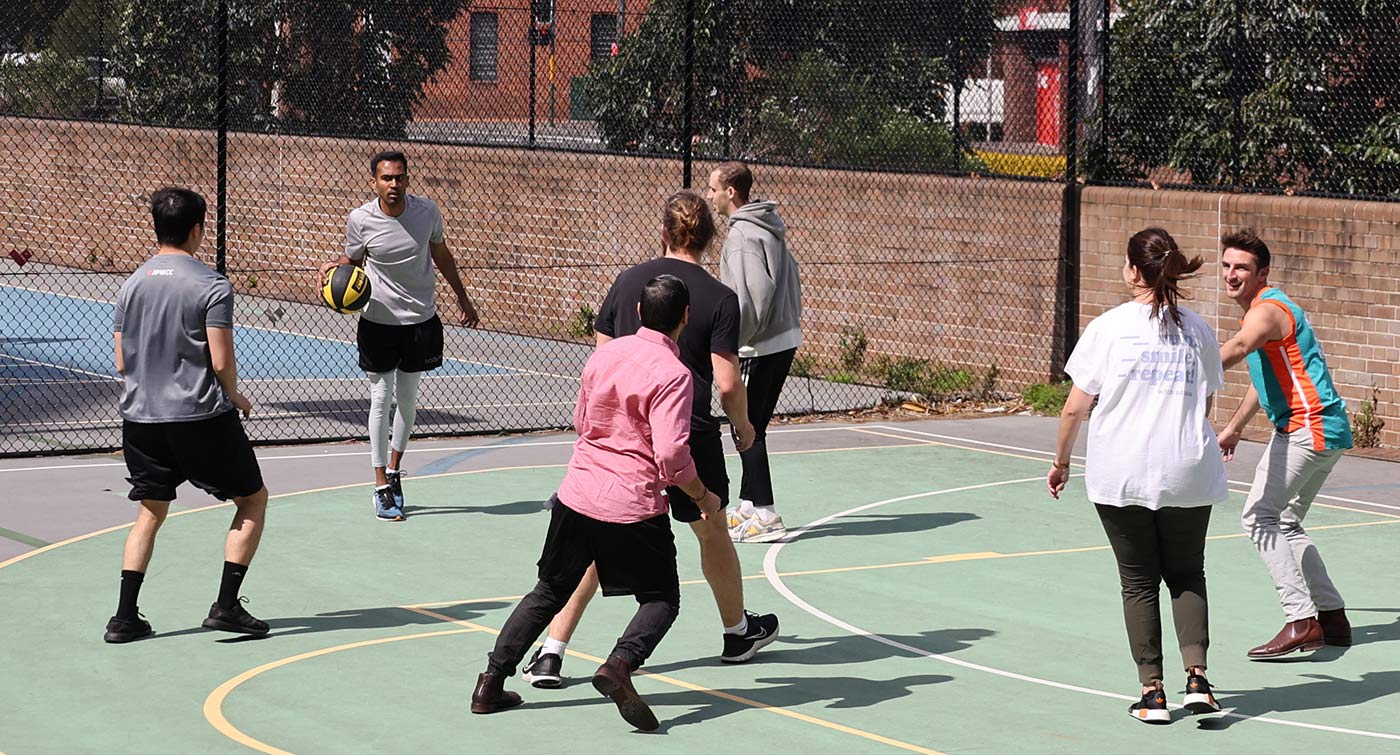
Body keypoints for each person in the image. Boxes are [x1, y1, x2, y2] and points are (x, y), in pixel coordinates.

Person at [518, 191, 777, 689]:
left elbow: (603, 364)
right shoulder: (720, 297)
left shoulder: (629, 282)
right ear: (709, 238)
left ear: (663, 232)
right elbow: (726, 382)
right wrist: (743, 428)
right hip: (686, 434)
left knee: (598, 539)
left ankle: (552, 651)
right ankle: (736, 632)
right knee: (711, 529)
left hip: (621, 441)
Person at [470, 274, 717, 731]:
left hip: (578, 492)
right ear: (686, 318)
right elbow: (670, 454)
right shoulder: (674, 375)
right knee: (662, 598)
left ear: (640, 313)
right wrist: (702, 495)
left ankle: (490, 682)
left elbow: (583, 421)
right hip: (632, 505)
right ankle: (620, 664)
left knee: (548, 591)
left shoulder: (603, 355)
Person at [1048, 228, 1227, 723]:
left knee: (1139, 581)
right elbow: (1207, 399)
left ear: (1132, 270)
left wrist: (1061, 462)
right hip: (1188, 469)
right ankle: (1199, 681)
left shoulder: (1109, 327)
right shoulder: (1199, 329)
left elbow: (1073, 409)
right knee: (1188, 572)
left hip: (1122, 471)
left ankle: (1153, 693)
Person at [106, 187, 271, 643]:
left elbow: (122, 361)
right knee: (253, 501)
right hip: (199, 417)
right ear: (198, 229)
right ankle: (227, 606)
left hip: (141, 419)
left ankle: (123, 618)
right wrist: (235, 396)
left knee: (150, 513)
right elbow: (220, 360)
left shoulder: (131, 284)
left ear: (156, 227)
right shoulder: (211, 285)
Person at [1215, 229, 1354, 659]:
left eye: (1242, 268)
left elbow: (1239, 347)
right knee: (1286, 522)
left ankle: (1300, 620)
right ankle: (1332, 618)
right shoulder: (1262, 313)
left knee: (1259, 517)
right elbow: (1263, 381)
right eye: (1227, 266)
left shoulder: (1268, 311)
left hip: (1307, 429)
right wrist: (1236, 425)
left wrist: (1179, 365)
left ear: (1262, 274)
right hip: (1326, 430)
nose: (1231, 275)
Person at [320, 150, 480, 522]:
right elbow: (354, 260)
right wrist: (334, 268)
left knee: (408, 402)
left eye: (400, 178)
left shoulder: (427, 213)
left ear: (408, 180)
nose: (394, 184)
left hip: (421, 321)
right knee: (381, 397)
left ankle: (394, 470)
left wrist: (462, 297)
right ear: (374, 181)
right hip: (377, 321)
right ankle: (379, 484)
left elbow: (442, 256)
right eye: (386, 178)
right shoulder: (360, 219)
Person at [705, 161, 803, 544]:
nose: (708, 195)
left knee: (746, 428)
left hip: (759, 344)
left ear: (731, 192)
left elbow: (754, 297)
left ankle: (765, 512)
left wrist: (733, 340)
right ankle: (748, 505)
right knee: (750, 425)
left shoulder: (743, 235)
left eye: (713, 188)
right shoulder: (767, 227)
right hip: (779, 338)